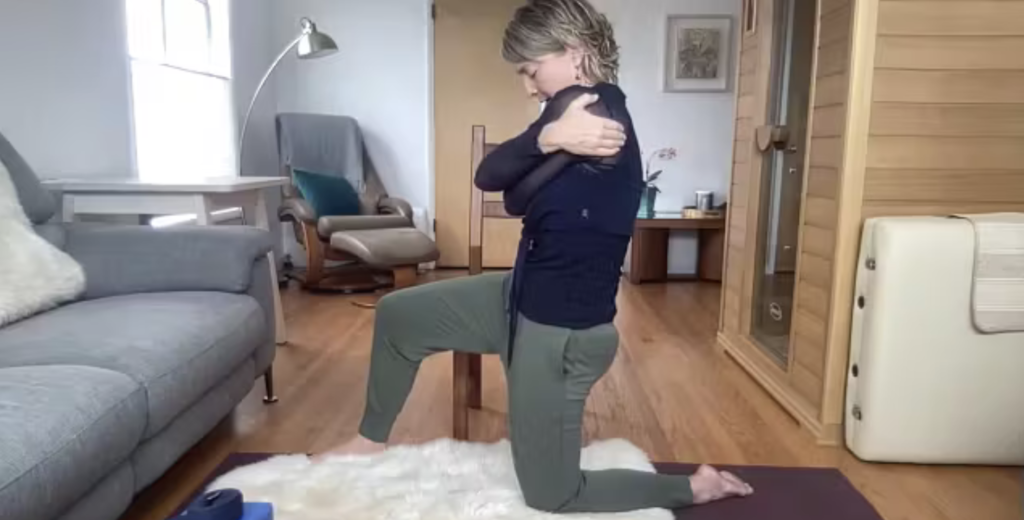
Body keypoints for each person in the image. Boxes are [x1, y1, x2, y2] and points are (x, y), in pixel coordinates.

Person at [316, 0, 753, 512]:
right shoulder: (568, 115)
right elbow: (497, 181)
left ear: (574, 52)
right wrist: (548, 138)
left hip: (559, 333)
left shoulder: (598, 119)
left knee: (552, 493)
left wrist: (546, 145)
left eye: (530, 69)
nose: (527, 85)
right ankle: (370, 441)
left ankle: (694, 487)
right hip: (516, 298)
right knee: (399, 315)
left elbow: (507, 189)